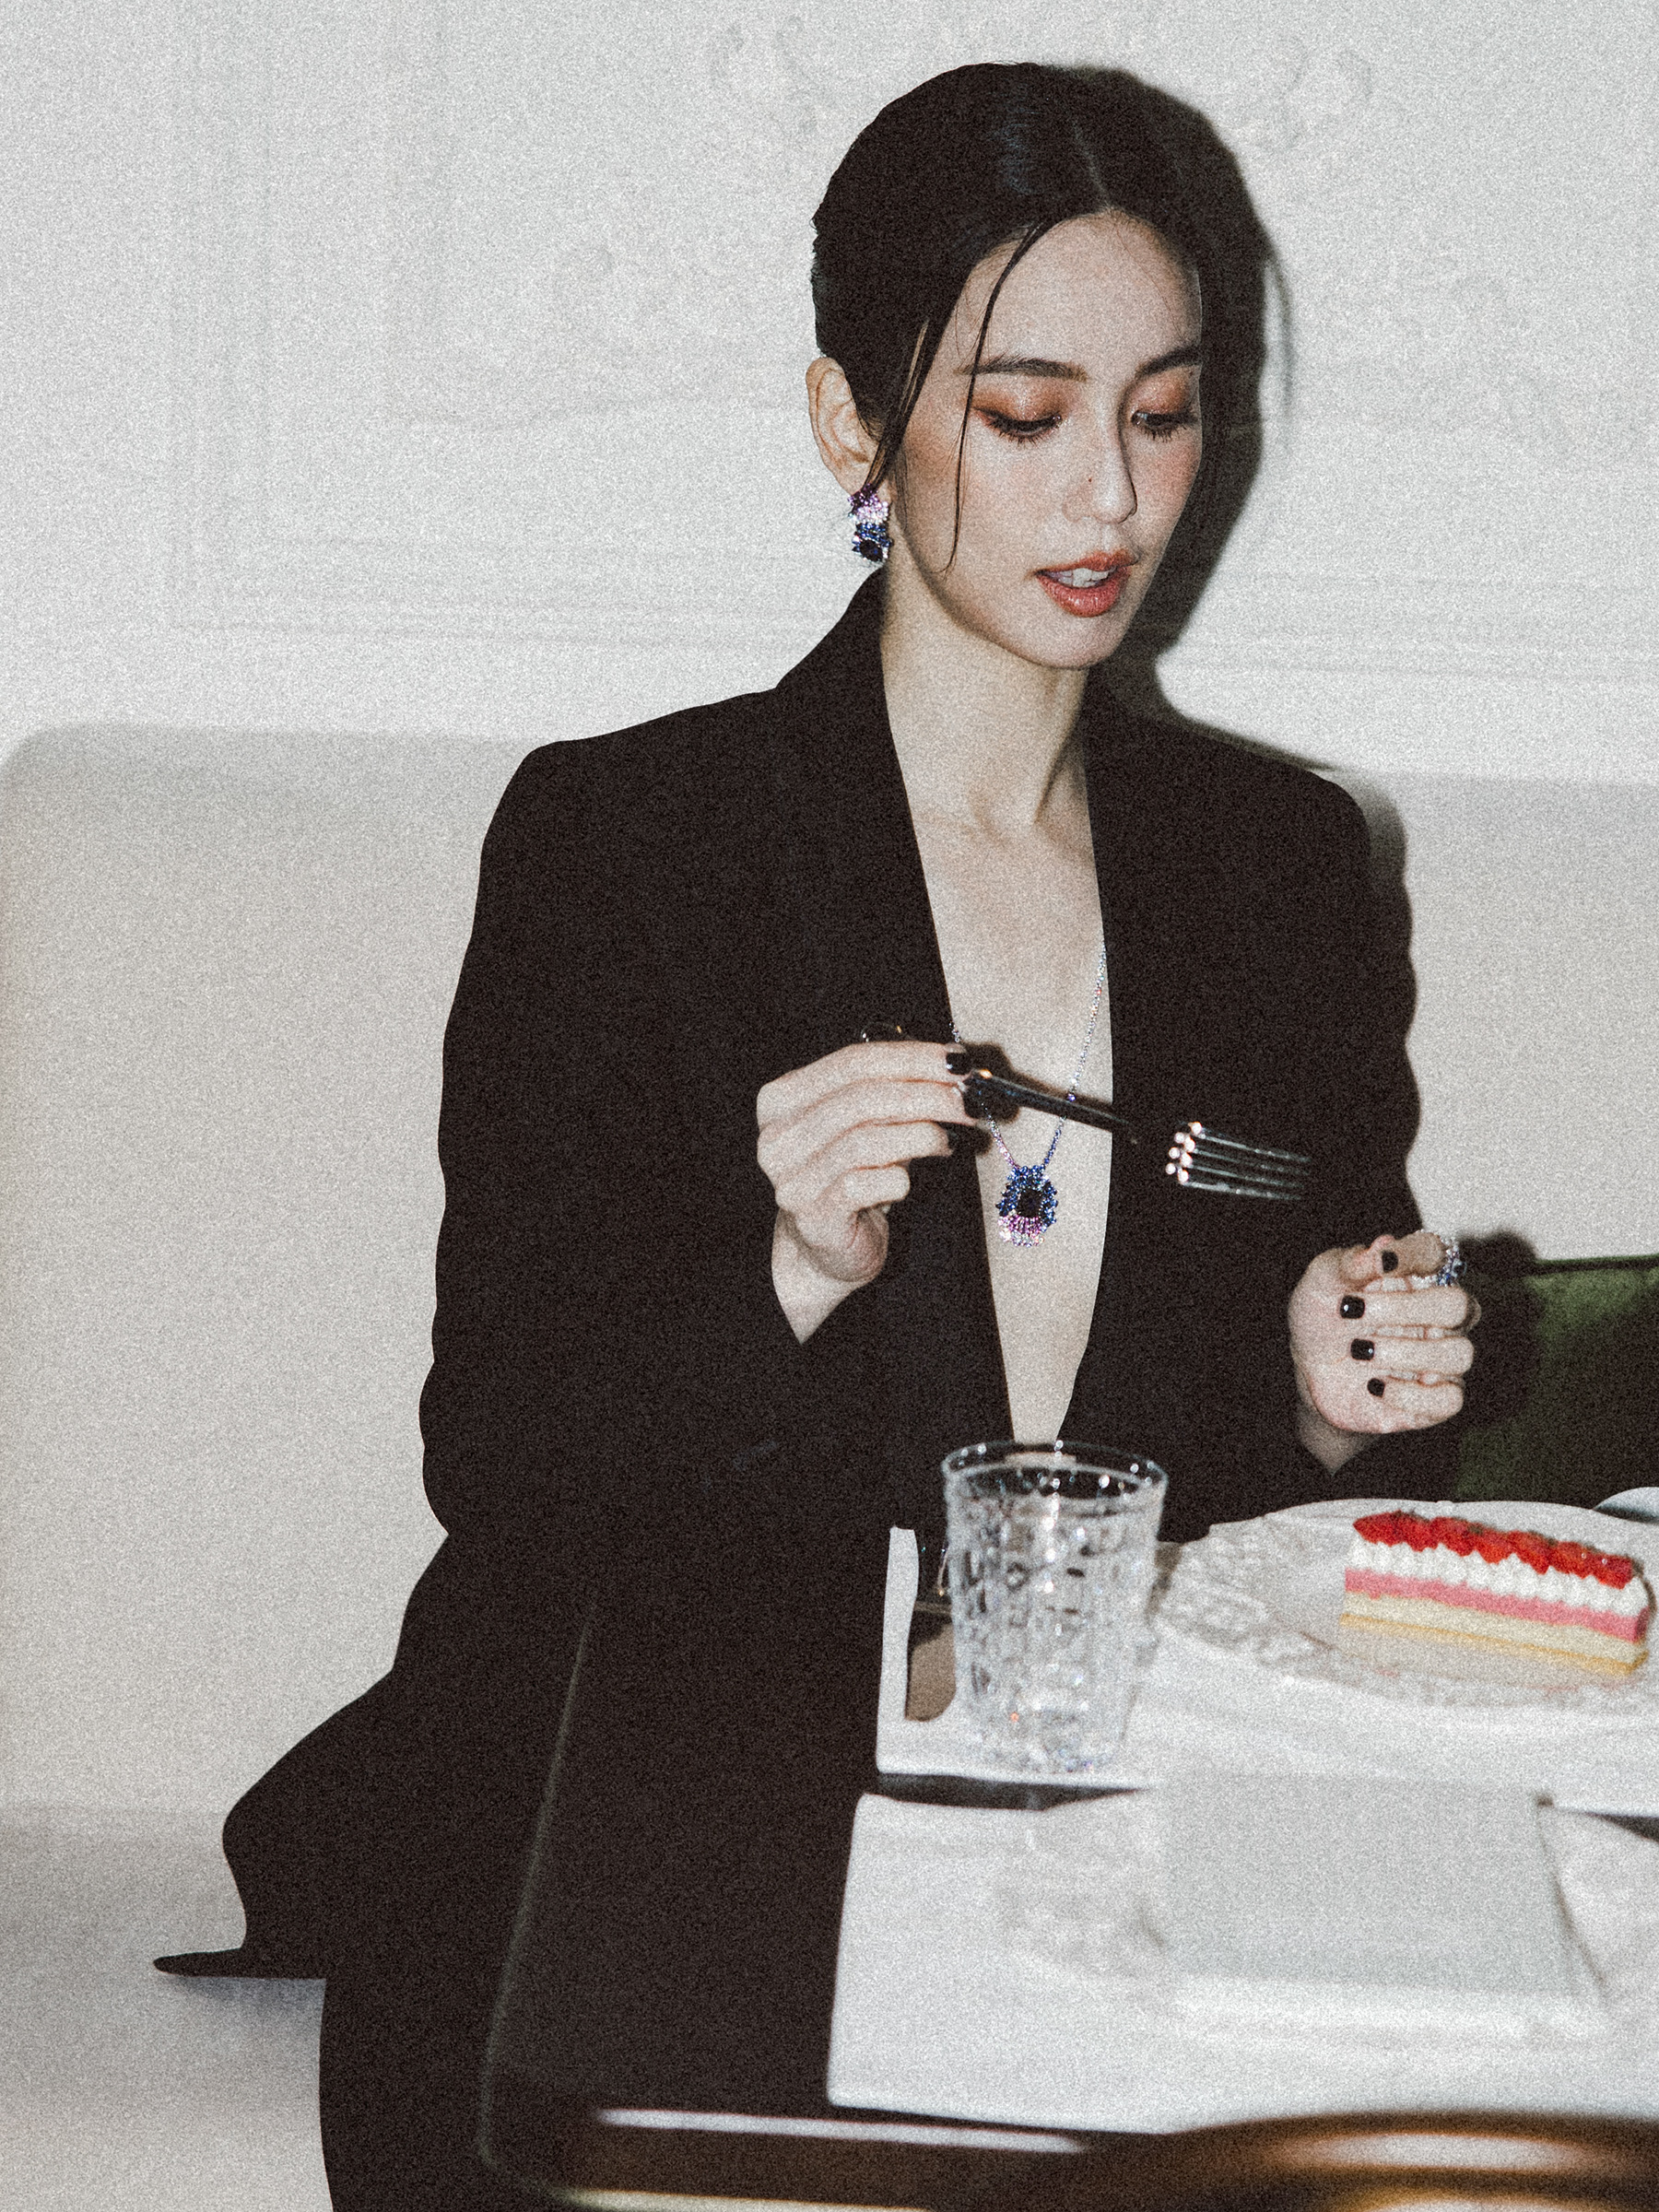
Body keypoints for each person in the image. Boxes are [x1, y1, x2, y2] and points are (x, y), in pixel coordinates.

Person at [158, 61, 1477, 2208]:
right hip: (649, 1797)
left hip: (1107, 1800)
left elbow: (1297, 1455)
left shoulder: (1279, 869)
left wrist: (1338, 1392)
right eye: (1026, 416)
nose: (1112, 496)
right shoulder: (630, 846)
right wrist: (782, 1271)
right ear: (852, 425)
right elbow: (504, 1458)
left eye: (1164, 415)